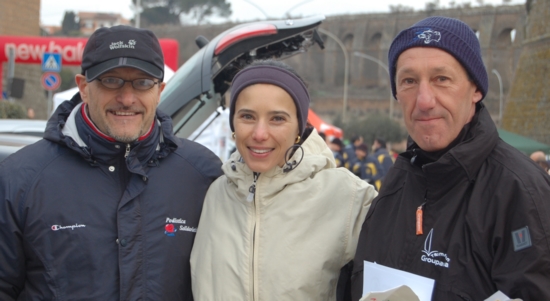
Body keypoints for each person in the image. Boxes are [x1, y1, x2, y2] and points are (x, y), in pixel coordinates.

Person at [0, 26, 222, 300]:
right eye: (111, 80)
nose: (127, 98)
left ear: (159, 90)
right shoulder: (19, 179)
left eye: (142, 82)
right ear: (83, 87)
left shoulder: (203, 175)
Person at [350, 16, 550, 300]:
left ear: (476, 90)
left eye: (441, 79)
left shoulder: (521, 192)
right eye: (408, 81)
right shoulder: (397, 181)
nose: (424, 100)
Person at [190, 60, 377, 300]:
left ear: (299, 126)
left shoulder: (347, 196)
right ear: (233, 122)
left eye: (277, 119)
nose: (259, 134)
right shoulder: (214, 194)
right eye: (247, 116)